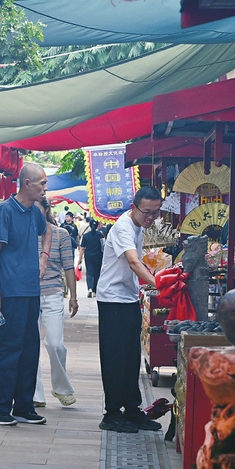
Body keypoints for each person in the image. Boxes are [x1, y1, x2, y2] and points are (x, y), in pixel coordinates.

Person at [0, 163, 52, 427]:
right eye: (42, 183)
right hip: (11, 290)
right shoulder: (6, 210)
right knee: (9, 348)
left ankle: (24, 406)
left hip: (31, 290)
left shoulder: (35, 211)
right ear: (27, 183)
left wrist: (44, 256)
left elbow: (47, 230)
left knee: (30, 349)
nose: (45, 188)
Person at [97, 186, 163, 434]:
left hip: (128, 297)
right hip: (112, 299)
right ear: (133, 207)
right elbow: (134, 262)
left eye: (155, 213)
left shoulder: (139, 226)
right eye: (147, 212)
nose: (151, 218)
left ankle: (132, 410)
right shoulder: (124, 227)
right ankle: (112, 413)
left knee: (131, 357)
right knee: (115, 358)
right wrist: (160, 285)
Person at [34, 200, 79, 409]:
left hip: (52, 293)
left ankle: (61, 387)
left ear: (46, 209)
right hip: (27, 294)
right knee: (30, 345)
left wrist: (73, 297)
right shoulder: (23, 232)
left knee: (55, 343)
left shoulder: (61, 234)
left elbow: (69, 266)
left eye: (37, 207)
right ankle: (35, 394)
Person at [77, 220, 103, 298]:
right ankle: (94, 290)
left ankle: (90, 288)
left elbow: (82, 248)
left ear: (90, 226)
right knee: (97, 273)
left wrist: (80, 259)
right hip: (98, 256)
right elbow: (103, 246)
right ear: (97, 225)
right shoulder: (100, 235)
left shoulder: (86, 236)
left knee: (89, 272)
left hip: (88, 256)